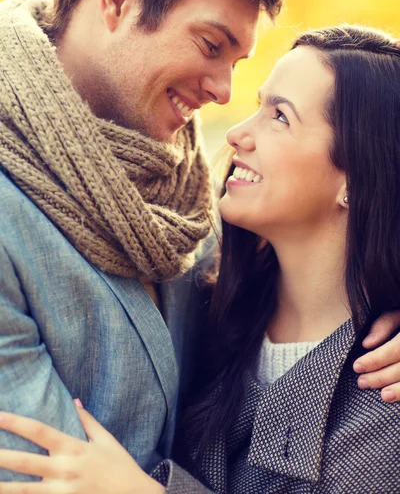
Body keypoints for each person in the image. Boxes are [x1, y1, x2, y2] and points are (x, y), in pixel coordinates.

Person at [1, 24, 400, 493]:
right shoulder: (202, 304)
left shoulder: (384, 409)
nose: (235, 134)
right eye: (259, 107)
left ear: (356, 177)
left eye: (280, 117)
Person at [0, 0, 284, 481]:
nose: (226, 91)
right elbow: (37, 477)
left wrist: (371, 322)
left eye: (237, 61)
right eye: (211, 46)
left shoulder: (189, 194)